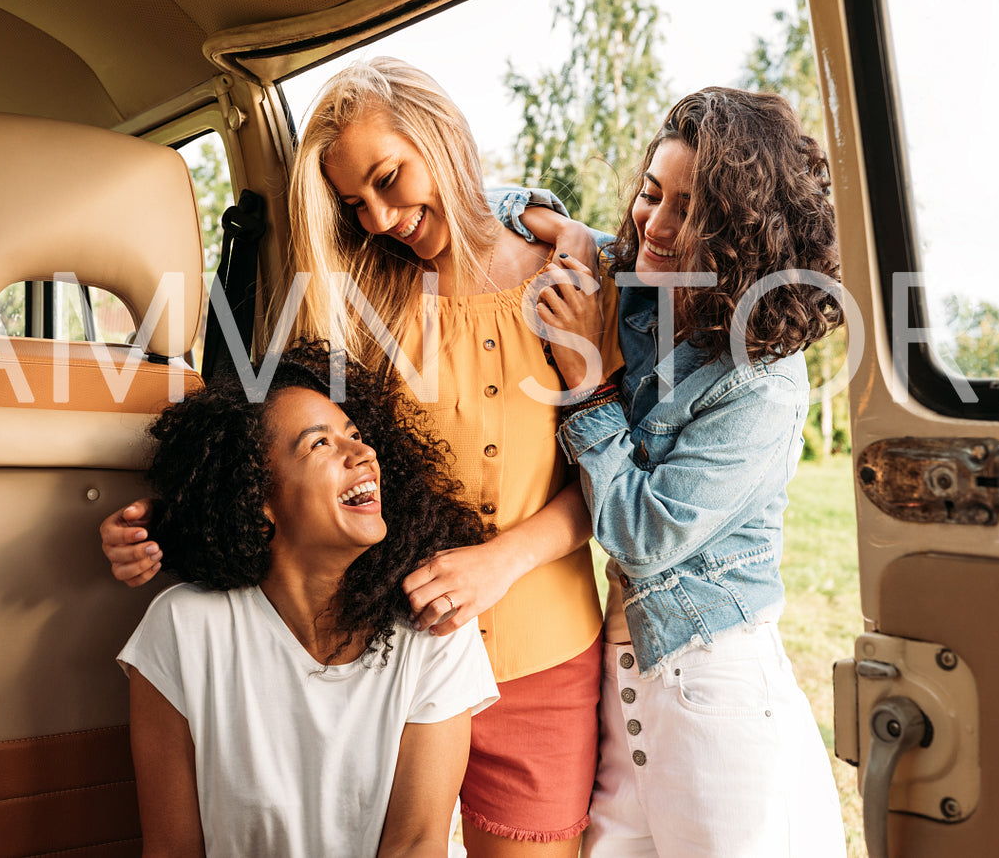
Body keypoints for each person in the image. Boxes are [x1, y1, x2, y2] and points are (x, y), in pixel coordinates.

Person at [104, 57, 621, 855]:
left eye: (389, 178)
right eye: (355, 203)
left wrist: (499, 563)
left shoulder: (567, 279)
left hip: (542, 654)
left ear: (440, 134)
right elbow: (288, 458)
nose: (378, 217)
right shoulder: (363, 307)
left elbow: (611, 473)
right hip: (391, 654)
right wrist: (165, 526)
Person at [511, 87, 847, 856]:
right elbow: (493, 205)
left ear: (741, 229)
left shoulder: (762, 379)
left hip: (710, 677)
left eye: (688, 209)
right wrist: (555, 221)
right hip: (624, 667)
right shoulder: (636, 286)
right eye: (649, 193)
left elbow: (641, 533)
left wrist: (591, 382)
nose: (653, 224)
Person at [118, 340, 498, 857]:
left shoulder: (434, 627)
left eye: (357, 436)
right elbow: (171, 849)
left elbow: (417, 842)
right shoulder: (182, 629)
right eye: (319, 444)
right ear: (259, 495)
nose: (363, 454)